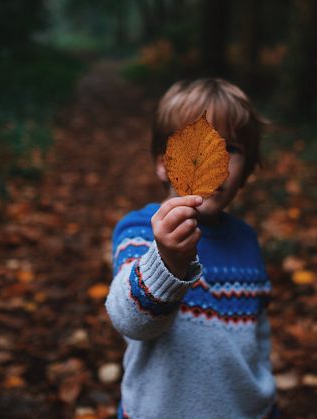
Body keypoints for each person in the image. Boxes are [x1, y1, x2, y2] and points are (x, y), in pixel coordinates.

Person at [105, 78, 278, 419]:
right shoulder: (141, 231)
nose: (215, 160)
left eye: (231, 148)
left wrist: (265, 402)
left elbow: (258, 340)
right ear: (162, 162)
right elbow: (131, 321)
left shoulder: (246, 240)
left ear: (246, 171)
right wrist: (167, 261)